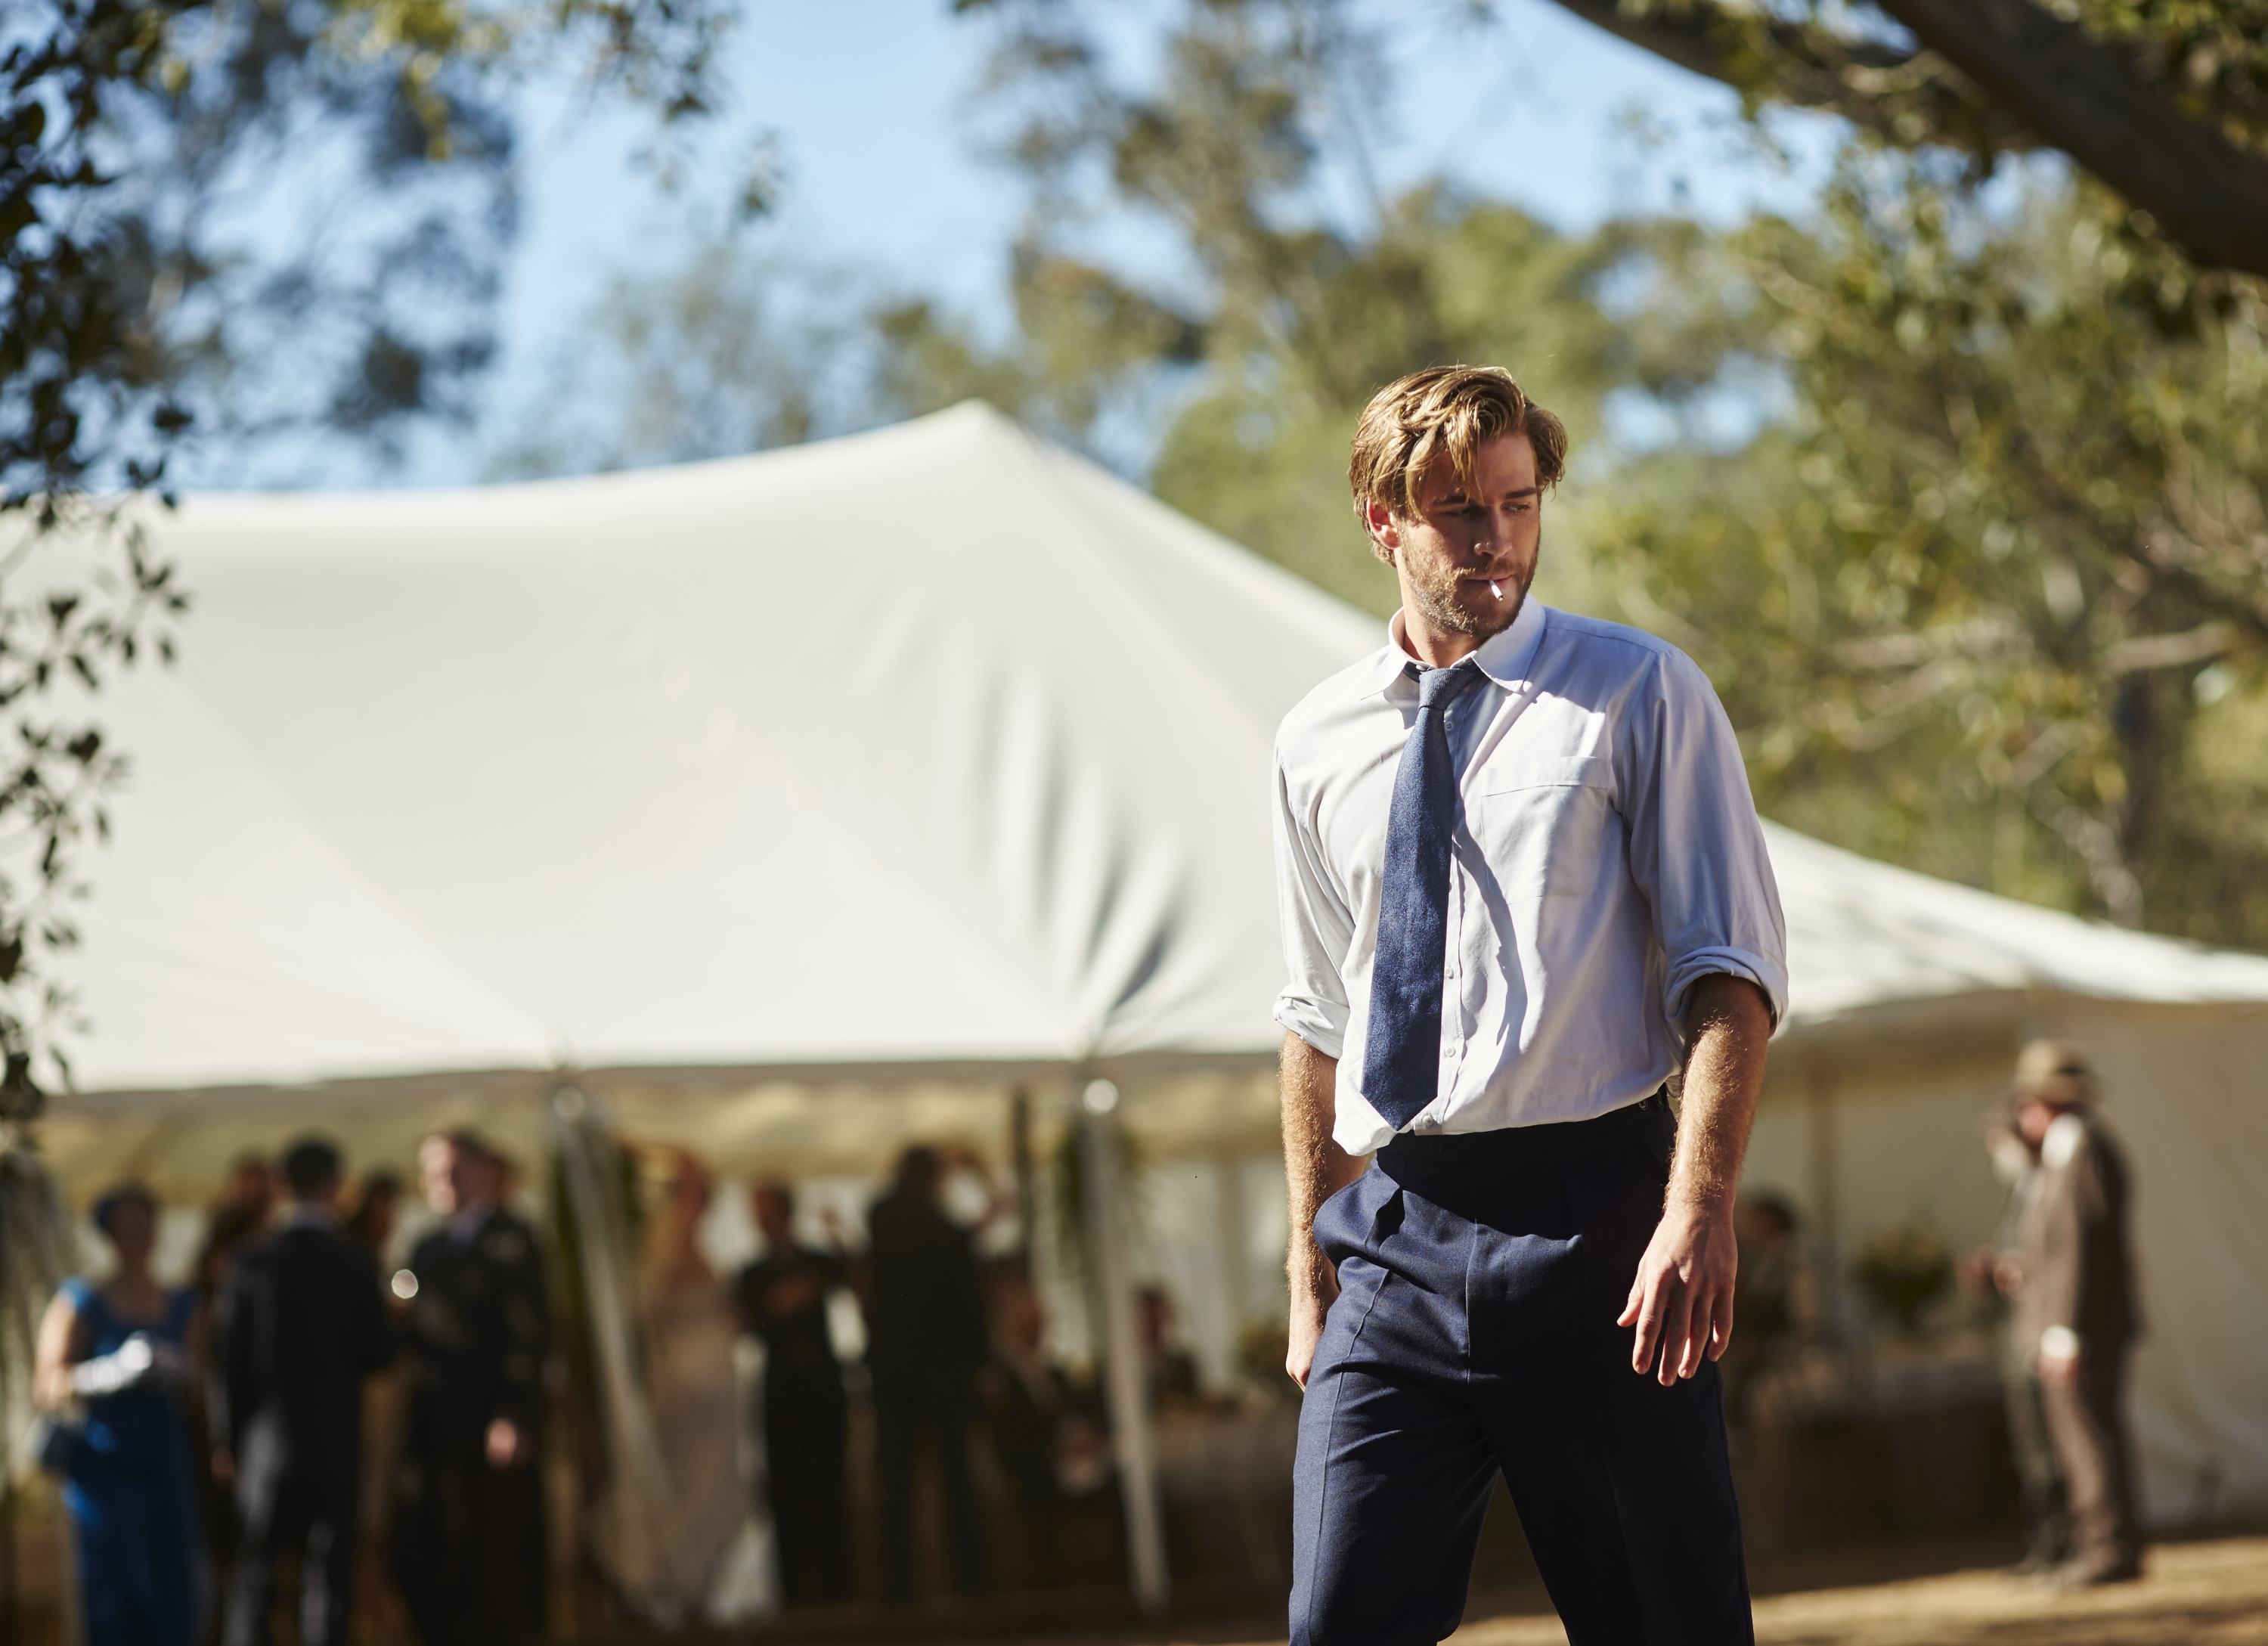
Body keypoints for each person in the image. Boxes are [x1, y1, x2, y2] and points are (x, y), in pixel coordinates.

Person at [1272, 366, 1786, 1644]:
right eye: (1459, 510)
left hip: (1601, 1224)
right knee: (1337, 1623)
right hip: (1396, 1230)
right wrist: (1309, 1260)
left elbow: (1729, 978)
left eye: (1518, 502)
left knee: (1666, 1622)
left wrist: (1698, 1206)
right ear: (1383, 521)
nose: (1496, 537)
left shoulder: (1639, 691)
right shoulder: (1315, 740)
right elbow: (1318, 1019)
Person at [212, 1138, 395, 1646]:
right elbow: (380, 1354)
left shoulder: (250, 1262)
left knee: (256, 1579)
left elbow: (227, 1362)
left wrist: (226, 1440)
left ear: (282, 1185)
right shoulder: (353, 1263)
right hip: (336, 1445)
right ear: (336, 1185)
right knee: (328, 1582)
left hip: (265, 1449)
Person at [391, 1130, 550, 1646]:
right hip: (437, 1427)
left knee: (494, 1555)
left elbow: (530, 1335)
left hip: (488, 1423)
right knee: (436, 1550)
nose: (443, 1182)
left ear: (484, 1172)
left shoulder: (513, 1241)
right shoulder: (427, 1247)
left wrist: (514, 1414)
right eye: (432, 1173)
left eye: (454, 1171)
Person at [33, 1183, 204, 1646]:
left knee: (167, 1578)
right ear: (111, 1235)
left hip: (163, 1458)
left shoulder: (181, 1302)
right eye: (129, 1228)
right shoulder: (82, 1299)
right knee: (114, 1583)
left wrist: (177, 1369)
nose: (139, 1238)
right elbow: (47, 1385)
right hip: (105, 1463)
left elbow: (200, 1383)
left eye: (146, 1227)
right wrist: (106, 1373)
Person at [2003, 1040, 2143, 1586]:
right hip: (2076, 1324)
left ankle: (2110, 1547)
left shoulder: (2084, 1149)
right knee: (2080, 1439)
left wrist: (2065, 1328)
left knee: (2090, 1439)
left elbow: (2084, 1247)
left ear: (2048, 1101)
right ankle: (2097, 1543)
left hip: (2086, 1327)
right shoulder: (2065, 1151)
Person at [866, 1145, 990, 1602]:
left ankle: (900, 1589)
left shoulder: (885, 1220)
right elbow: (967, 1298)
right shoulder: (937, 1232)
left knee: (899, 1484)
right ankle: (971, 1582)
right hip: (939, 1374)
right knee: (954, 1478)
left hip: (897, 1373)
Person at [637, 1148, 745, 1618]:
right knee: (695, 1485)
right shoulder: (674, 1233)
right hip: (695, 1378)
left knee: (700, 1483)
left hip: (697, 1374)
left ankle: (688, 1581)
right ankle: (680, 1579)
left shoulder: (674, 1236)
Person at [733, 1179, 850, 1607]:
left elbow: (850, 1274)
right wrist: (781, 1303)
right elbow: (748, 1323)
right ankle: (792, 1596)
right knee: (785, 1493)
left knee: (830, 1491)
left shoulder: (816, 1261)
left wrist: (838, 1232)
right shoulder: (752, 1274)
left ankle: (837, 1591)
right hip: (782, 1398)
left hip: (822, 1394)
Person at [1977, 1103, 2069, 1574]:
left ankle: (2065, 1538)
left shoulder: (2048, 1184)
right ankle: (2045, 1539)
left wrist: (2019, 1269)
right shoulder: (2017, 1192)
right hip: (2018, 1335)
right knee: (2031, 1446)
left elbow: (2054, 1257)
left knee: (2052, 1446)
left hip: (2039, 1333)